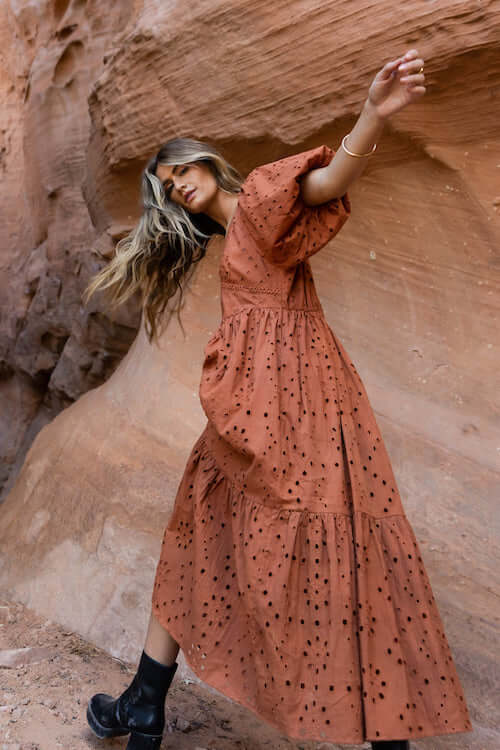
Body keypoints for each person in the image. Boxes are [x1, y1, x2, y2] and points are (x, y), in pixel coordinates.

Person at [84, 49, 472, 750]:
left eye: (182, 170)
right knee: (200, 525)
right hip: (255, 410)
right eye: (166, 188)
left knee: (337, 544)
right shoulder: (234, 232)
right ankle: (145, 699)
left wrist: (370, 113)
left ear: (208, 161)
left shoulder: (262, 194)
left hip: (300, 404)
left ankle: (383, 734)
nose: (176, 187)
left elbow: (325, 183)